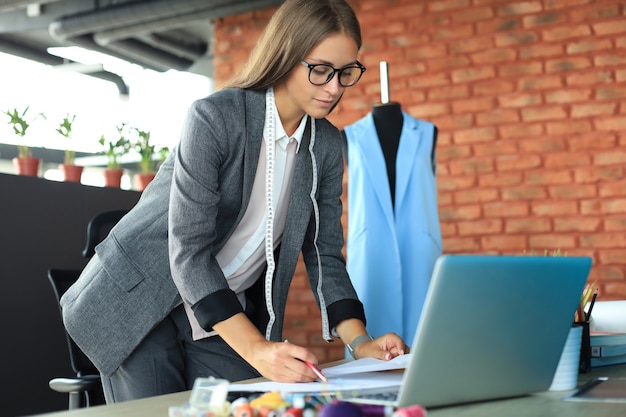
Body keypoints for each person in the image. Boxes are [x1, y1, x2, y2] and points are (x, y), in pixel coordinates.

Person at [60, 0, 408, 404]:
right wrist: (257, 349)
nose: (333, 87)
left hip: (220, 307)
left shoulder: (326, 145)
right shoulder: (214, 118)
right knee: (159, 411)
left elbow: (324, 253)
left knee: (260, 406)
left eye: (346, 72)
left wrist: (361, 342)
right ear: (286, 56)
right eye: (320, 70)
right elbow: (189, 251)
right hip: (141, 299)